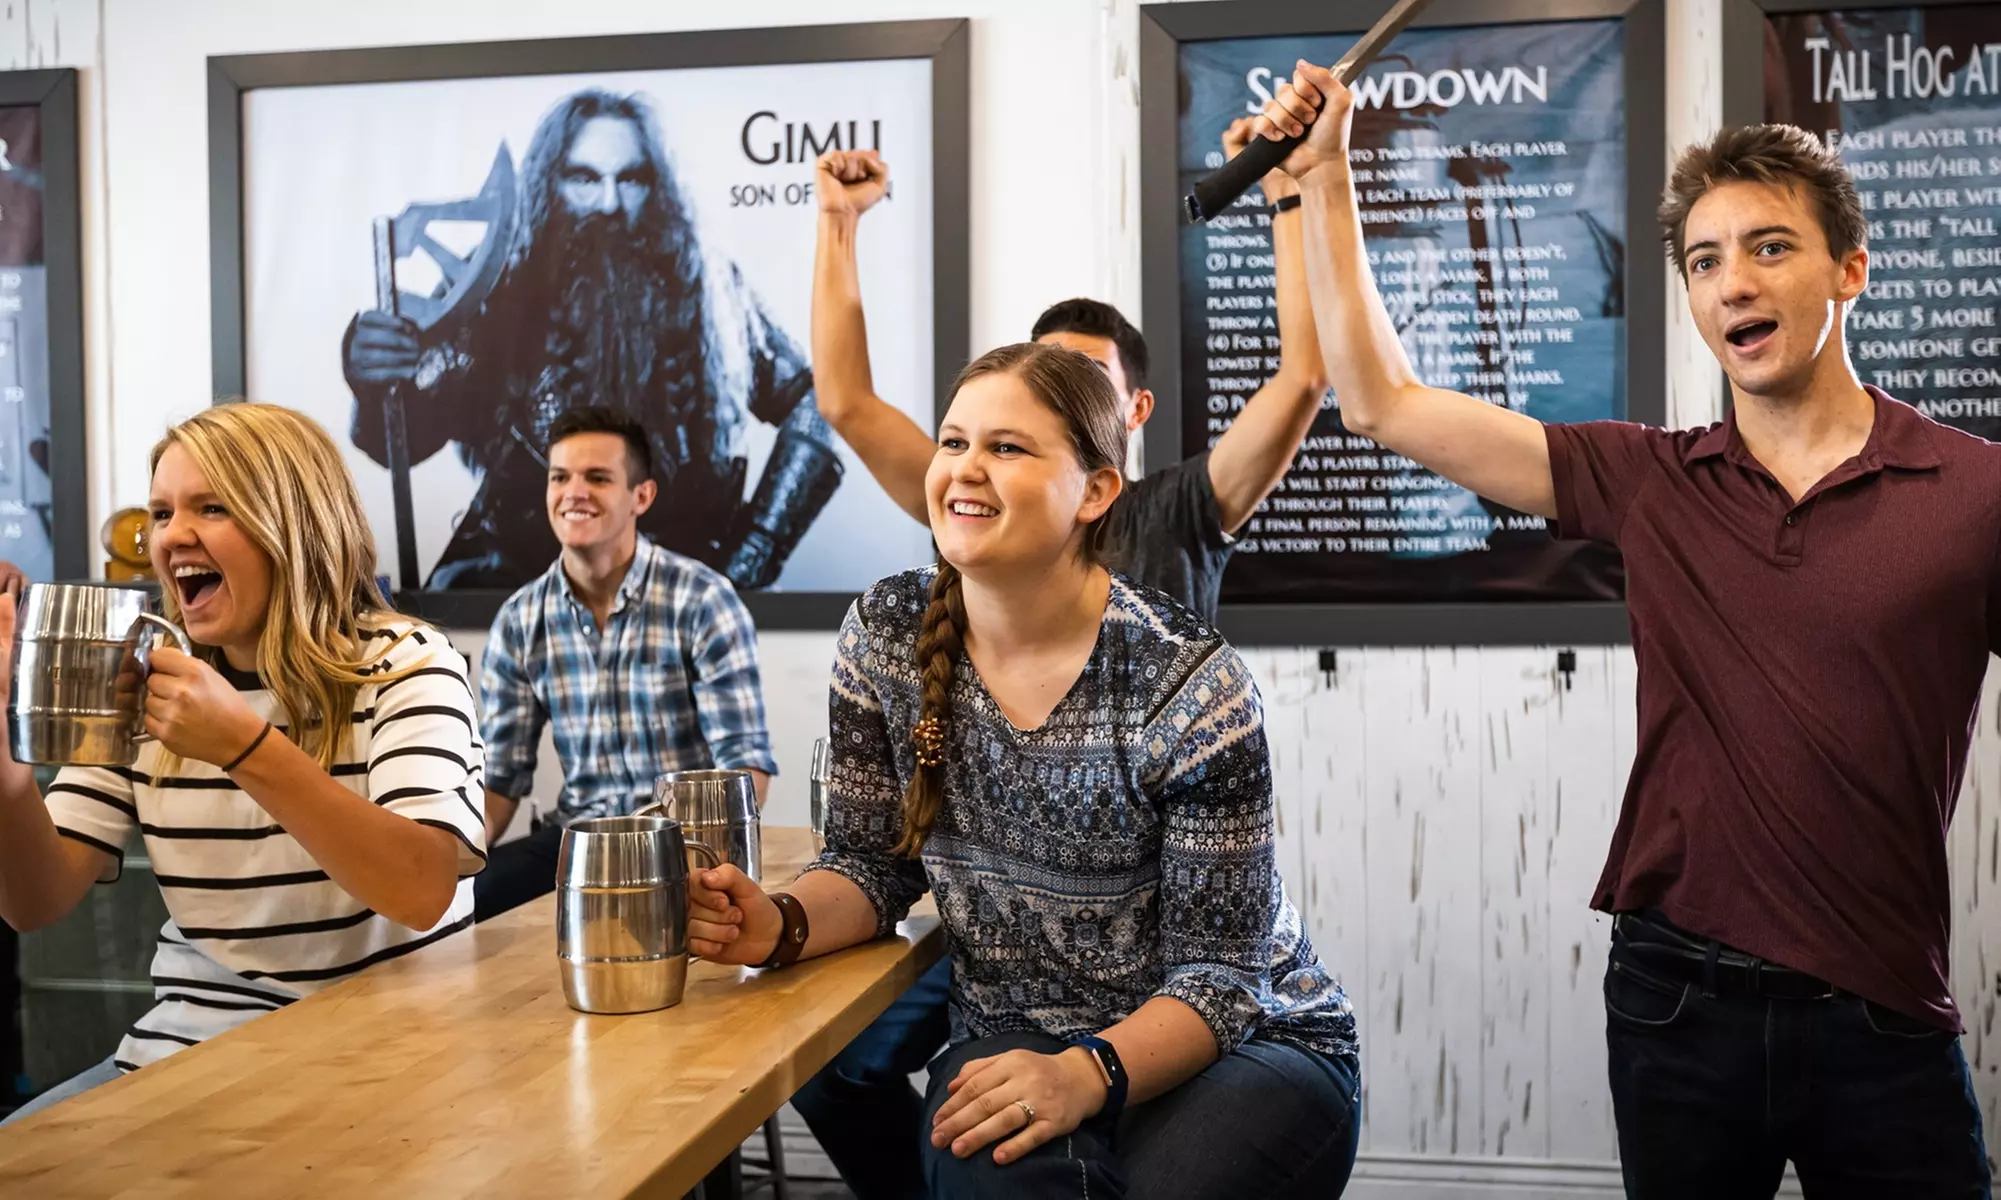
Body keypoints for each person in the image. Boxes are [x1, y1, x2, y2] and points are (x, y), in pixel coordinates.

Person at [1261, 62, 1995, 1198]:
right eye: (1705, 261)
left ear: (1849, 268)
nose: (1732, 282)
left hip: (1885, 1010)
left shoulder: (1973, 493)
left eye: (1769, 246)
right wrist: (1324, 175)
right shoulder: (1653, 480)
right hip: (1676, 998)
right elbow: (1382, 403)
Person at [794, 123, 1329, 1199]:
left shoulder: (1182, 527)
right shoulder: (933, 586)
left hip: (1176, 951)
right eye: (964, 435)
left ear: (1112, 446)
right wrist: (838, 224)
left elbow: (1306, 379)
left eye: (1028, 426)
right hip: (1012, 955)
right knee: (843, 1073)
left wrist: (1289, 194)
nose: (974, 461)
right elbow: (847, 400)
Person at [690, 342, 1359, 1199]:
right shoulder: (886, 633)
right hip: (1012, 1030)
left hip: (1242, 1040)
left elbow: (1222, 982)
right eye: (953, 441)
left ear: (1095, 490)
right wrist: (776, 924)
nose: (965, 469)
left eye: (1007, 448)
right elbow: (868, 865)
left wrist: (1086, 1074)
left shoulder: (1186, 681)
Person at [0, 403, 485, 1123]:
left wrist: (242, 746)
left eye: (212, 507)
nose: (172, 536)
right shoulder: (137, 680)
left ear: (295, 525)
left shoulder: (406, 665)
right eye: (161, 512)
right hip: (186, 1056)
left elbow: (422, 888)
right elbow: (33, 903)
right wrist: (7, 770)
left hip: (388, 1065)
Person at [343, 88, 841, 592]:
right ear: (550, 183)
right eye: (584, 177)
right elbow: (399, 441)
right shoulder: (497, 284)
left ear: (656, 187)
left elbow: (818, 403)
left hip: (683, 583)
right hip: (519, 580)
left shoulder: (707, 287)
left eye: (630, 179)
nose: (609, 203)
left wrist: (758, 548)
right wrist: (375, 378)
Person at [475, 405, 776, 922]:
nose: (574, 492)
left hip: (679, 845)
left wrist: (704, 869)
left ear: (642, 495)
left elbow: (744, 769)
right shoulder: (521, 618)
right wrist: (444, 864)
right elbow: (500, 781)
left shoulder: (704, 600)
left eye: (597, 477)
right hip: (579, 844)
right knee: (467, 902)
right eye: (560, 477)